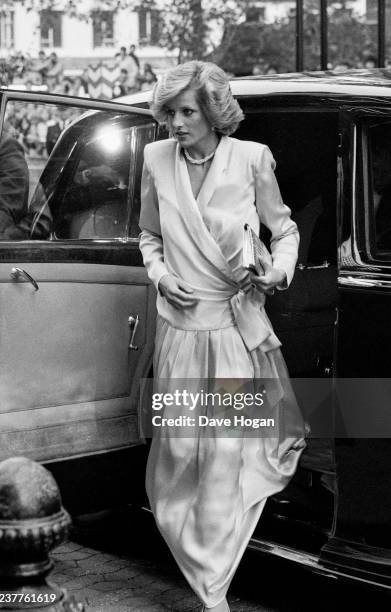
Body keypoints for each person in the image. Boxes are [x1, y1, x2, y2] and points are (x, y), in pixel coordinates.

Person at [138, 61, 305, 612]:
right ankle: (197, 558)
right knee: (180, 454)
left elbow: (284, 230)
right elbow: (148, 237)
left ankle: (212, 588)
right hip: (181, 331)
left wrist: (276, 272)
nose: (176, 123)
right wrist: (162, 278)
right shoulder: (156, 159)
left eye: (188, 112)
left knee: (225, 456)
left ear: (213, 112)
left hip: (235, 331)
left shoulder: (252, 158)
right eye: (170, 112)